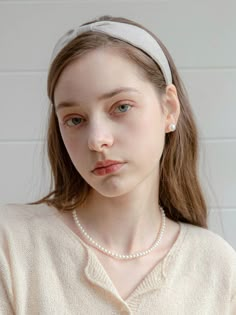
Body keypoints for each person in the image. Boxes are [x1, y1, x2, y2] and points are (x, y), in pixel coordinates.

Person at [0, 15, 235, 315]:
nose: (97, 140)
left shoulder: (218, 267)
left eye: (121, 107)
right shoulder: (11, 244)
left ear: (169, 108)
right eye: (75, 120)